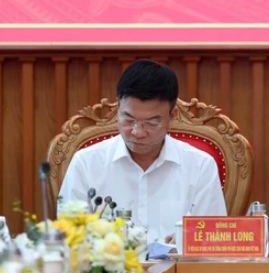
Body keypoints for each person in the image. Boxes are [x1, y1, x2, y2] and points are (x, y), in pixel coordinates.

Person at [59, 59, 226, 245]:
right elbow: (68, 240)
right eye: (128, 119)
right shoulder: (86, 163)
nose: (137, 132)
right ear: (118, 108)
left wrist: (188, 244)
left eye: (152, 123)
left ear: (173, 116)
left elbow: (213, 244)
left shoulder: (200, 166)